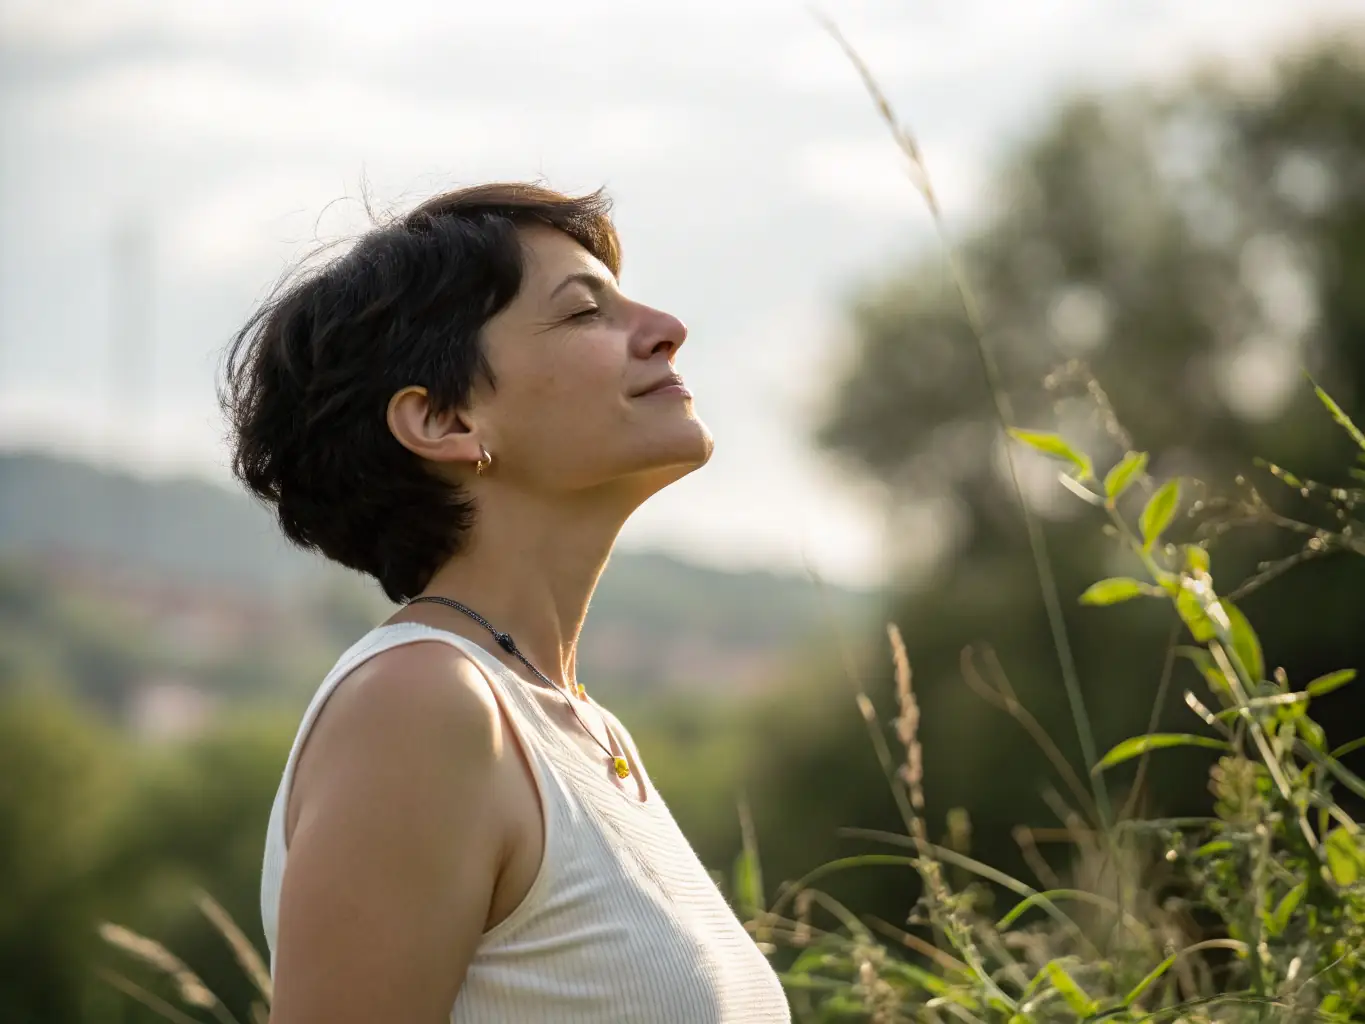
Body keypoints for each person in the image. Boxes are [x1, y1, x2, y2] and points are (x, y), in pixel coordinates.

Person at [221, 183, 792, 1022]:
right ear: (446, 419)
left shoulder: (578, 726)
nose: (667, 327)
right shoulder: (420, 706)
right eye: (581, 313)